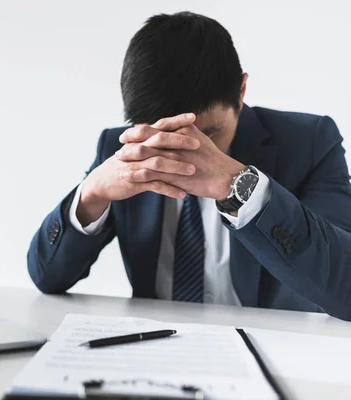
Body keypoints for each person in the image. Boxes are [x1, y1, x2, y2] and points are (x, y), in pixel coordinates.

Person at [27, 11, 351, 321]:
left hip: (275, 350)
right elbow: (45, 277)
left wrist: (239, 185)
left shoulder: (309, 142)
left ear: (241, 91)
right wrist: (91, 194)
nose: (182, 153)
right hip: (152, 348)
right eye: (162, 137)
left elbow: (345, 287)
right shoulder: (121, 147)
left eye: (207, 135)